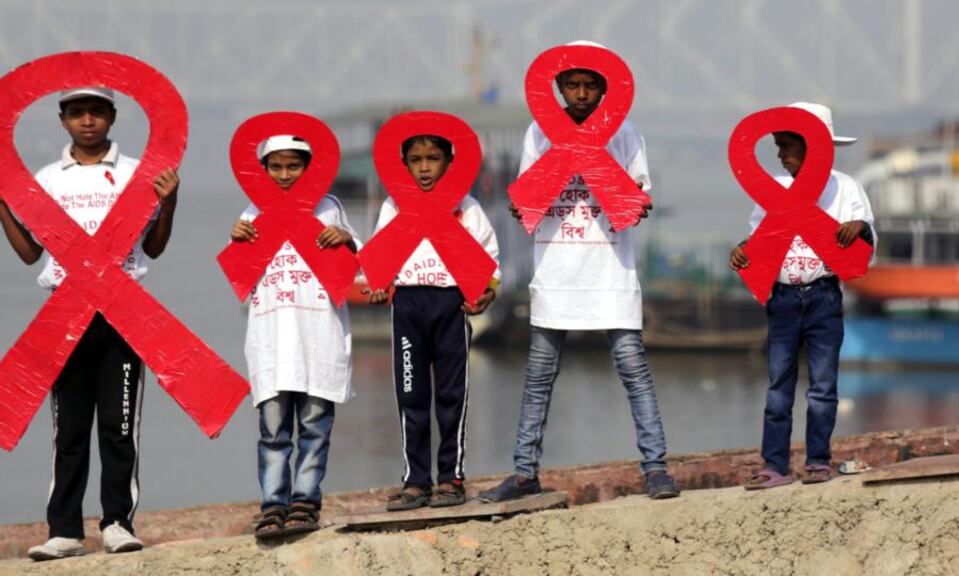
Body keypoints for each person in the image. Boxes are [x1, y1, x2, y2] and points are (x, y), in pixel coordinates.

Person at [479, 41, 680, 503]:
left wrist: (631, 199)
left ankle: (656, 468)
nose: (583, 94)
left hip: (611, 272)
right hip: (556, 274)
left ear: (607, 90)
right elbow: (526, 199)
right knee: (538, 377)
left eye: (592, 85)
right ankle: (525, 472)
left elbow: (637, 196)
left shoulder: (624, 132)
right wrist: (525, 200)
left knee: (634, 371)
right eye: (573, 85)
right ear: (559, 88)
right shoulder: (538, 133)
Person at [0, 87, 180, 560]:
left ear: (112, 118)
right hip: (64, 314)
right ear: (62, 119)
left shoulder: (136, 173)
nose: (87, 121)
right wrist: (1, 202)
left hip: (121, 312)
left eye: (96, 112)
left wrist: (172, 201)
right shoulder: (46, 179)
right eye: (77, 112)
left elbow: (155, 248)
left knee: (119, 426)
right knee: (69, 430)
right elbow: (30, 253)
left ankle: (118, 522)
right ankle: (64, 531)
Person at [730, 102, 876, 489]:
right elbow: (759, 239)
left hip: (823, 296)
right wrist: (743, 250)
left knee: (822, 387)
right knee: (778, 387)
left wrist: (857, 226)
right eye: (777, 145)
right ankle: (774, 466)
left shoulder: (846, 187)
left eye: (786, 145)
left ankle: (817, 461)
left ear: (813, 147)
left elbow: (865, 236)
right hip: (782, 299)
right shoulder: (772, 189)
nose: (779, 154)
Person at [229, 134, 360, 539]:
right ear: (263, 171)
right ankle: (273, 503)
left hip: (318, 339)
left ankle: (305, 499)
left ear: (310, 168)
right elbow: (240, 278)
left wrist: (347, 238)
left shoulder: (329, 209)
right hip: (272, 343)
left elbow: (357, 263)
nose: (285, 175)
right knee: (273, 431)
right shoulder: (252, 214)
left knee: (315, 425)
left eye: (294, 166)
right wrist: (236, 239)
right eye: (276, 166)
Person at [366, 132, 500, 510]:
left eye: (434, 159)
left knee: (451, 396)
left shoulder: (468, 207)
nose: (425, 168)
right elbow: (380, 261)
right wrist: (379, 286)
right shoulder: (394, 207)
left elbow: (489, 258)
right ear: (403, 165)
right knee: (412, 395)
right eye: (416, 160)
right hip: (407, 306)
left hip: (451, 305)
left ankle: (451, 478)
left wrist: (488, 291)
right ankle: (416, 481)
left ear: (449, 164)